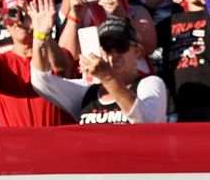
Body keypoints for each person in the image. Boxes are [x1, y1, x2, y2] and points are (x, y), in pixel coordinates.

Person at [26, 17, 170, 124]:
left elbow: (148, 122)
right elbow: (41, 82)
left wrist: (108, 78)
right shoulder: (86, 91)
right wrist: (40, 37)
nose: (114, 53)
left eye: (121, 46)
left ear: (137, 52)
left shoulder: (149, 84)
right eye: (107, 47)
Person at [0, 0, 75, 127]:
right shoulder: (1, 61)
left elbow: (62, 67)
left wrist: (42, 32)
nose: (19, 21)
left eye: (26, 14)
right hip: (16, 145)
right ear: (5, 23)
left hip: (56, 143)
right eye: (12, 14)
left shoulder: (53, 54)